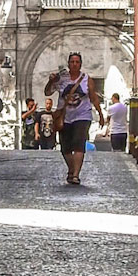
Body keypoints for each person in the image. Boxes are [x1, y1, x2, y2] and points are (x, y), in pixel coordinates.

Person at [52, 52, 101, 187]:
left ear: (80, 64)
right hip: (65, 117)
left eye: (77, 62)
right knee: (65, 148)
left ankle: (75, 175)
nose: (74, 64)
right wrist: (52, 80)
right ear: (68, 64)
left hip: (83, 116)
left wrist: (101, 115)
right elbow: (47, 92)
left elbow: (93, 97)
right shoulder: (62, 79)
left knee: (79, 144)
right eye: (72, 62)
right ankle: (72, 169)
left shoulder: (86, 79)